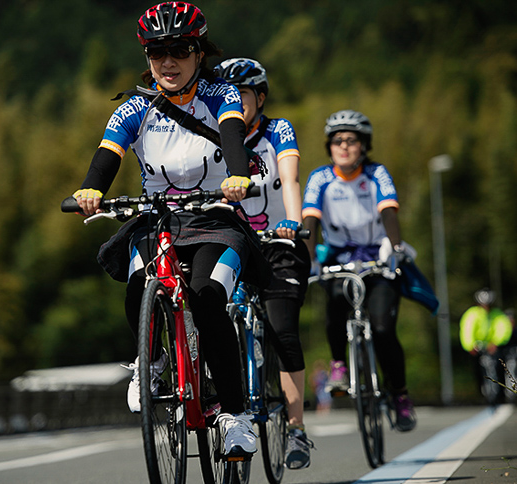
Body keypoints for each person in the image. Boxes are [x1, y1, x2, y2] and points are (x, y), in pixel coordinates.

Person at [71, 2, 270, 458]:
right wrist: (88, 190)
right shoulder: (134, 108)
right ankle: (151, 361)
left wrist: (237, 176)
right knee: (141, 281)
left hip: (217, 220)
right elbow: (107, 157)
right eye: (156, 52)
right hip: (160, 219)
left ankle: (235, 418)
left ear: (198, 52)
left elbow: (234, 136)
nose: (168, 61)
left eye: (179, 49)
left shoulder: (221, 96)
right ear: (146, 59)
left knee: (206, 296)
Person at [213, 57, 314, 469]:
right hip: (232, 240)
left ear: (260, 96)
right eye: (228, 94)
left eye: (243, 94)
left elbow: (290, 178)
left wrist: (294, 220)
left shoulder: (277, 130)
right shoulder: (212, 130)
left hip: (277, 243)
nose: (234, 101)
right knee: (206, 305)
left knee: (282, 329)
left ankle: (296, 429)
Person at [302, 109, 417, 432]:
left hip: (377, 255)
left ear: (363, 146)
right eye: (337, 141)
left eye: (351, 140)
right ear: (330, 147)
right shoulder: (320, 178)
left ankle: (401, 396)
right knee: (336, 303)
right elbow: (309, 220)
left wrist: (394, 248)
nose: (344, 146)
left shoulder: (377, 173)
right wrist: (310, 260)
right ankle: (339, 363)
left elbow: (389, 211)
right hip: (339, 256)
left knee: (382, 328)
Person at [459, 288, 513, 403]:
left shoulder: (497, 314)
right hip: (477, 347)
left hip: (493, 346)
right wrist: (470, 346)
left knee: (498, 367)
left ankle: (501, 393)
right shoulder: (472, 313)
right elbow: (467, 329)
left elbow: (503, 328)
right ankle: (482, 392)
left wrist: (496, 342)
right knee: (477, 370)